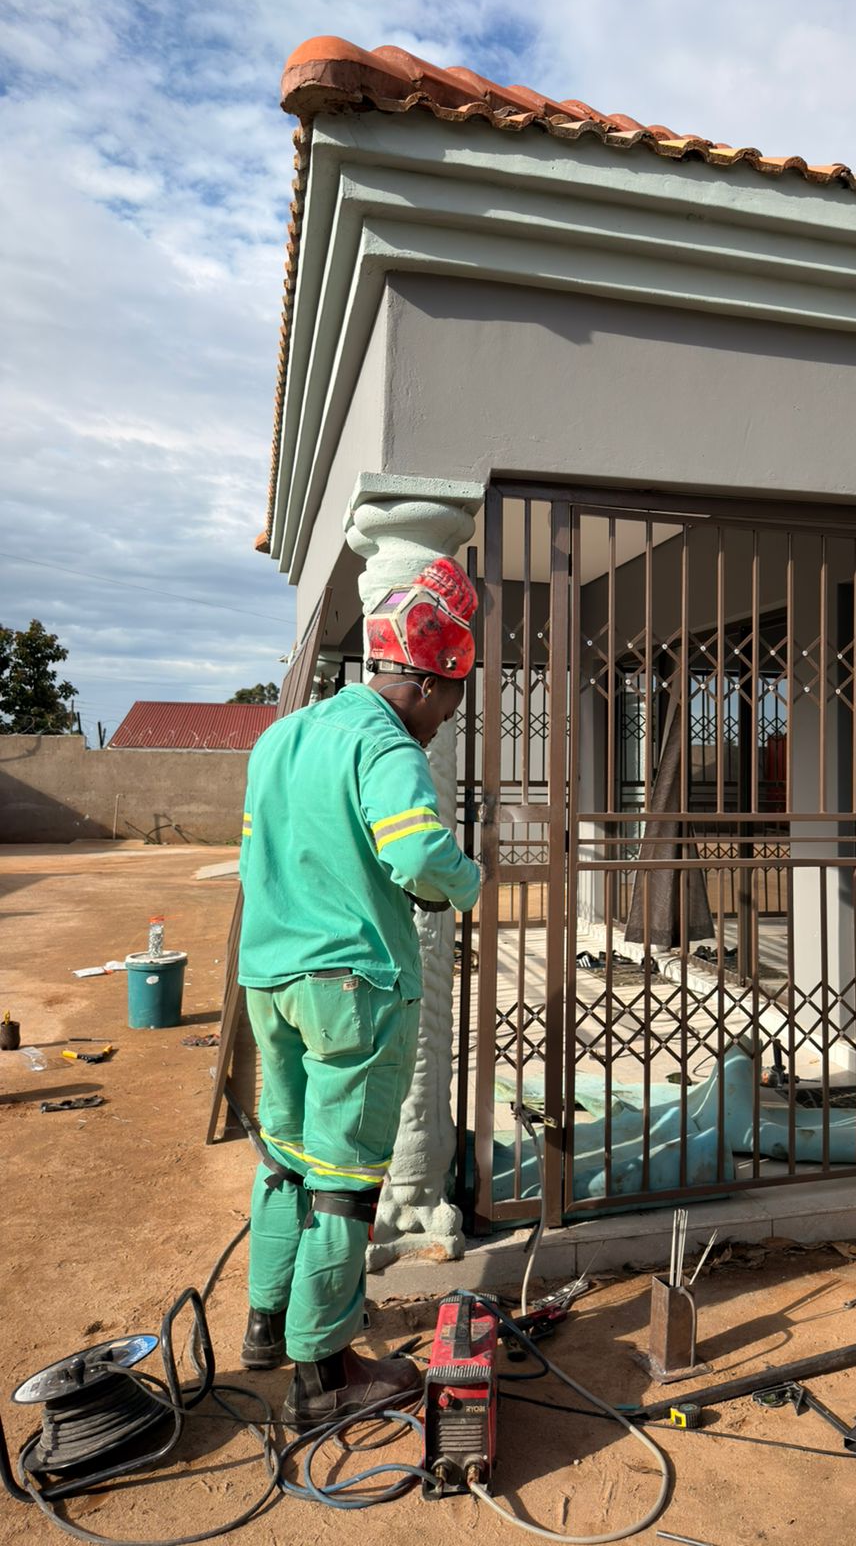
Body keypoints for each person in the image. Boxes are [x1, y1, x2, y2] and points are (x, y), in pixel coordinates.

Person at [236, 557, 481, 1429]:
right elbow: (415, 855)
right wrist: (466, 881)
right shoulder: (384, 742)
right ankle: (324, 1371)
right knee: (344, 1180)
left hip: (271, 979)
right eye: (449, 696)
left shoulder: (281, 736)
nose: (446, 719)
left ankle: (269, 1322)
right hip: (352, 987)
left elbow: (260, 853)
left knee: (285, 1155)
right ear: (421, 679)